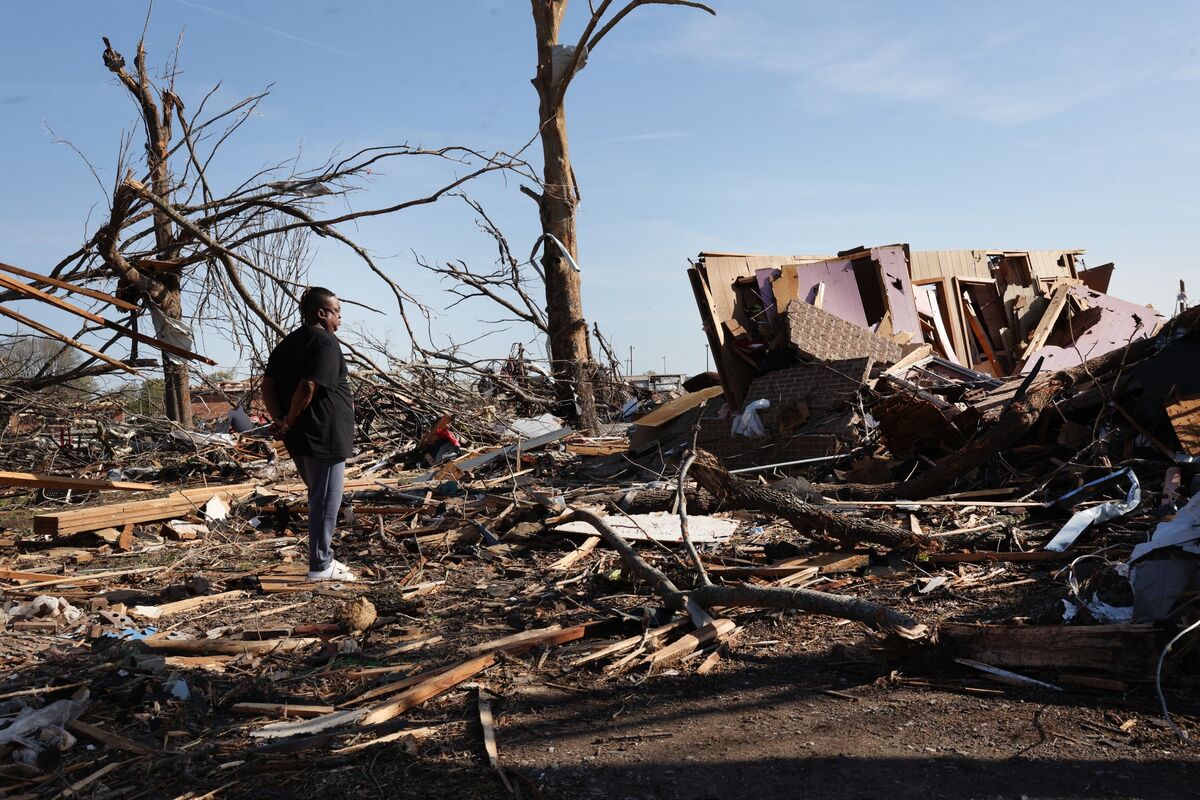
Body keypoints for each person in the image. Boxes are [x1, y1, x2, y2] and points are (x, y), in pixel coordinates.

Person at [261, 287, 357, 582]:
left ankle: (323, 559)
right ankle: (320, 564)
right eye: (337, 311)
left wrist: (281, 419)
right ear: (321, 312)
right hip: (323, 433)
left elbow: (268, 386)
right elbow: (308, 387)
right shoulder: (325, 342)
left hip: (301, 437)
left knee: (319, 496)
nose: (340, 318)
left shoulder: (287, 344)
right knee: (326, 500)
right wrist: (288, 419)